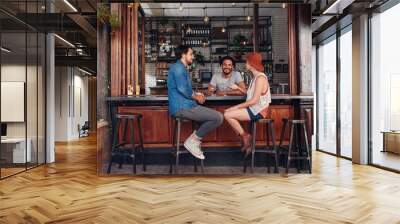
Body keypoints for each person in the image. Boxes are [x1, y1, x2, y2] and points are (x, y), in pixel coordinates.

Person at [167, 45, 224, 160]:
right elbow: (182, 89)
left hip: (186, 106)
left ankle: (194, 141)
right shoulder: (178, 68)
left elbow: (186, 89)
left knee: (213, 118)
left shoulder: (181, 68)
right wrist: (196, 97)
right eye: (191, 54)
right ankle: (193, 141)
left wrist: (197, 95)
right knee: (218, 117)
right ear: (183, 54)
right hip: (182, 107)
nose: (193, 57)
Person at [223, 52, 271, 157]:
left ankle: (246, 137)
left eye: (246, 62)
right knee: (226, 112)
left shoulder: (260, 78)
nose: (245, 64)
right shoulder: (255, 77)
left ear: (251, 63)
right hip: (253, 109)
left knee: (227, 114)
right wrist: (238, 88)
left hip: (258, 111)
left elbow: (254, 100)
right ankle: (247, 142)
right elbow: (249, 93)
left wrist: (235, 107)